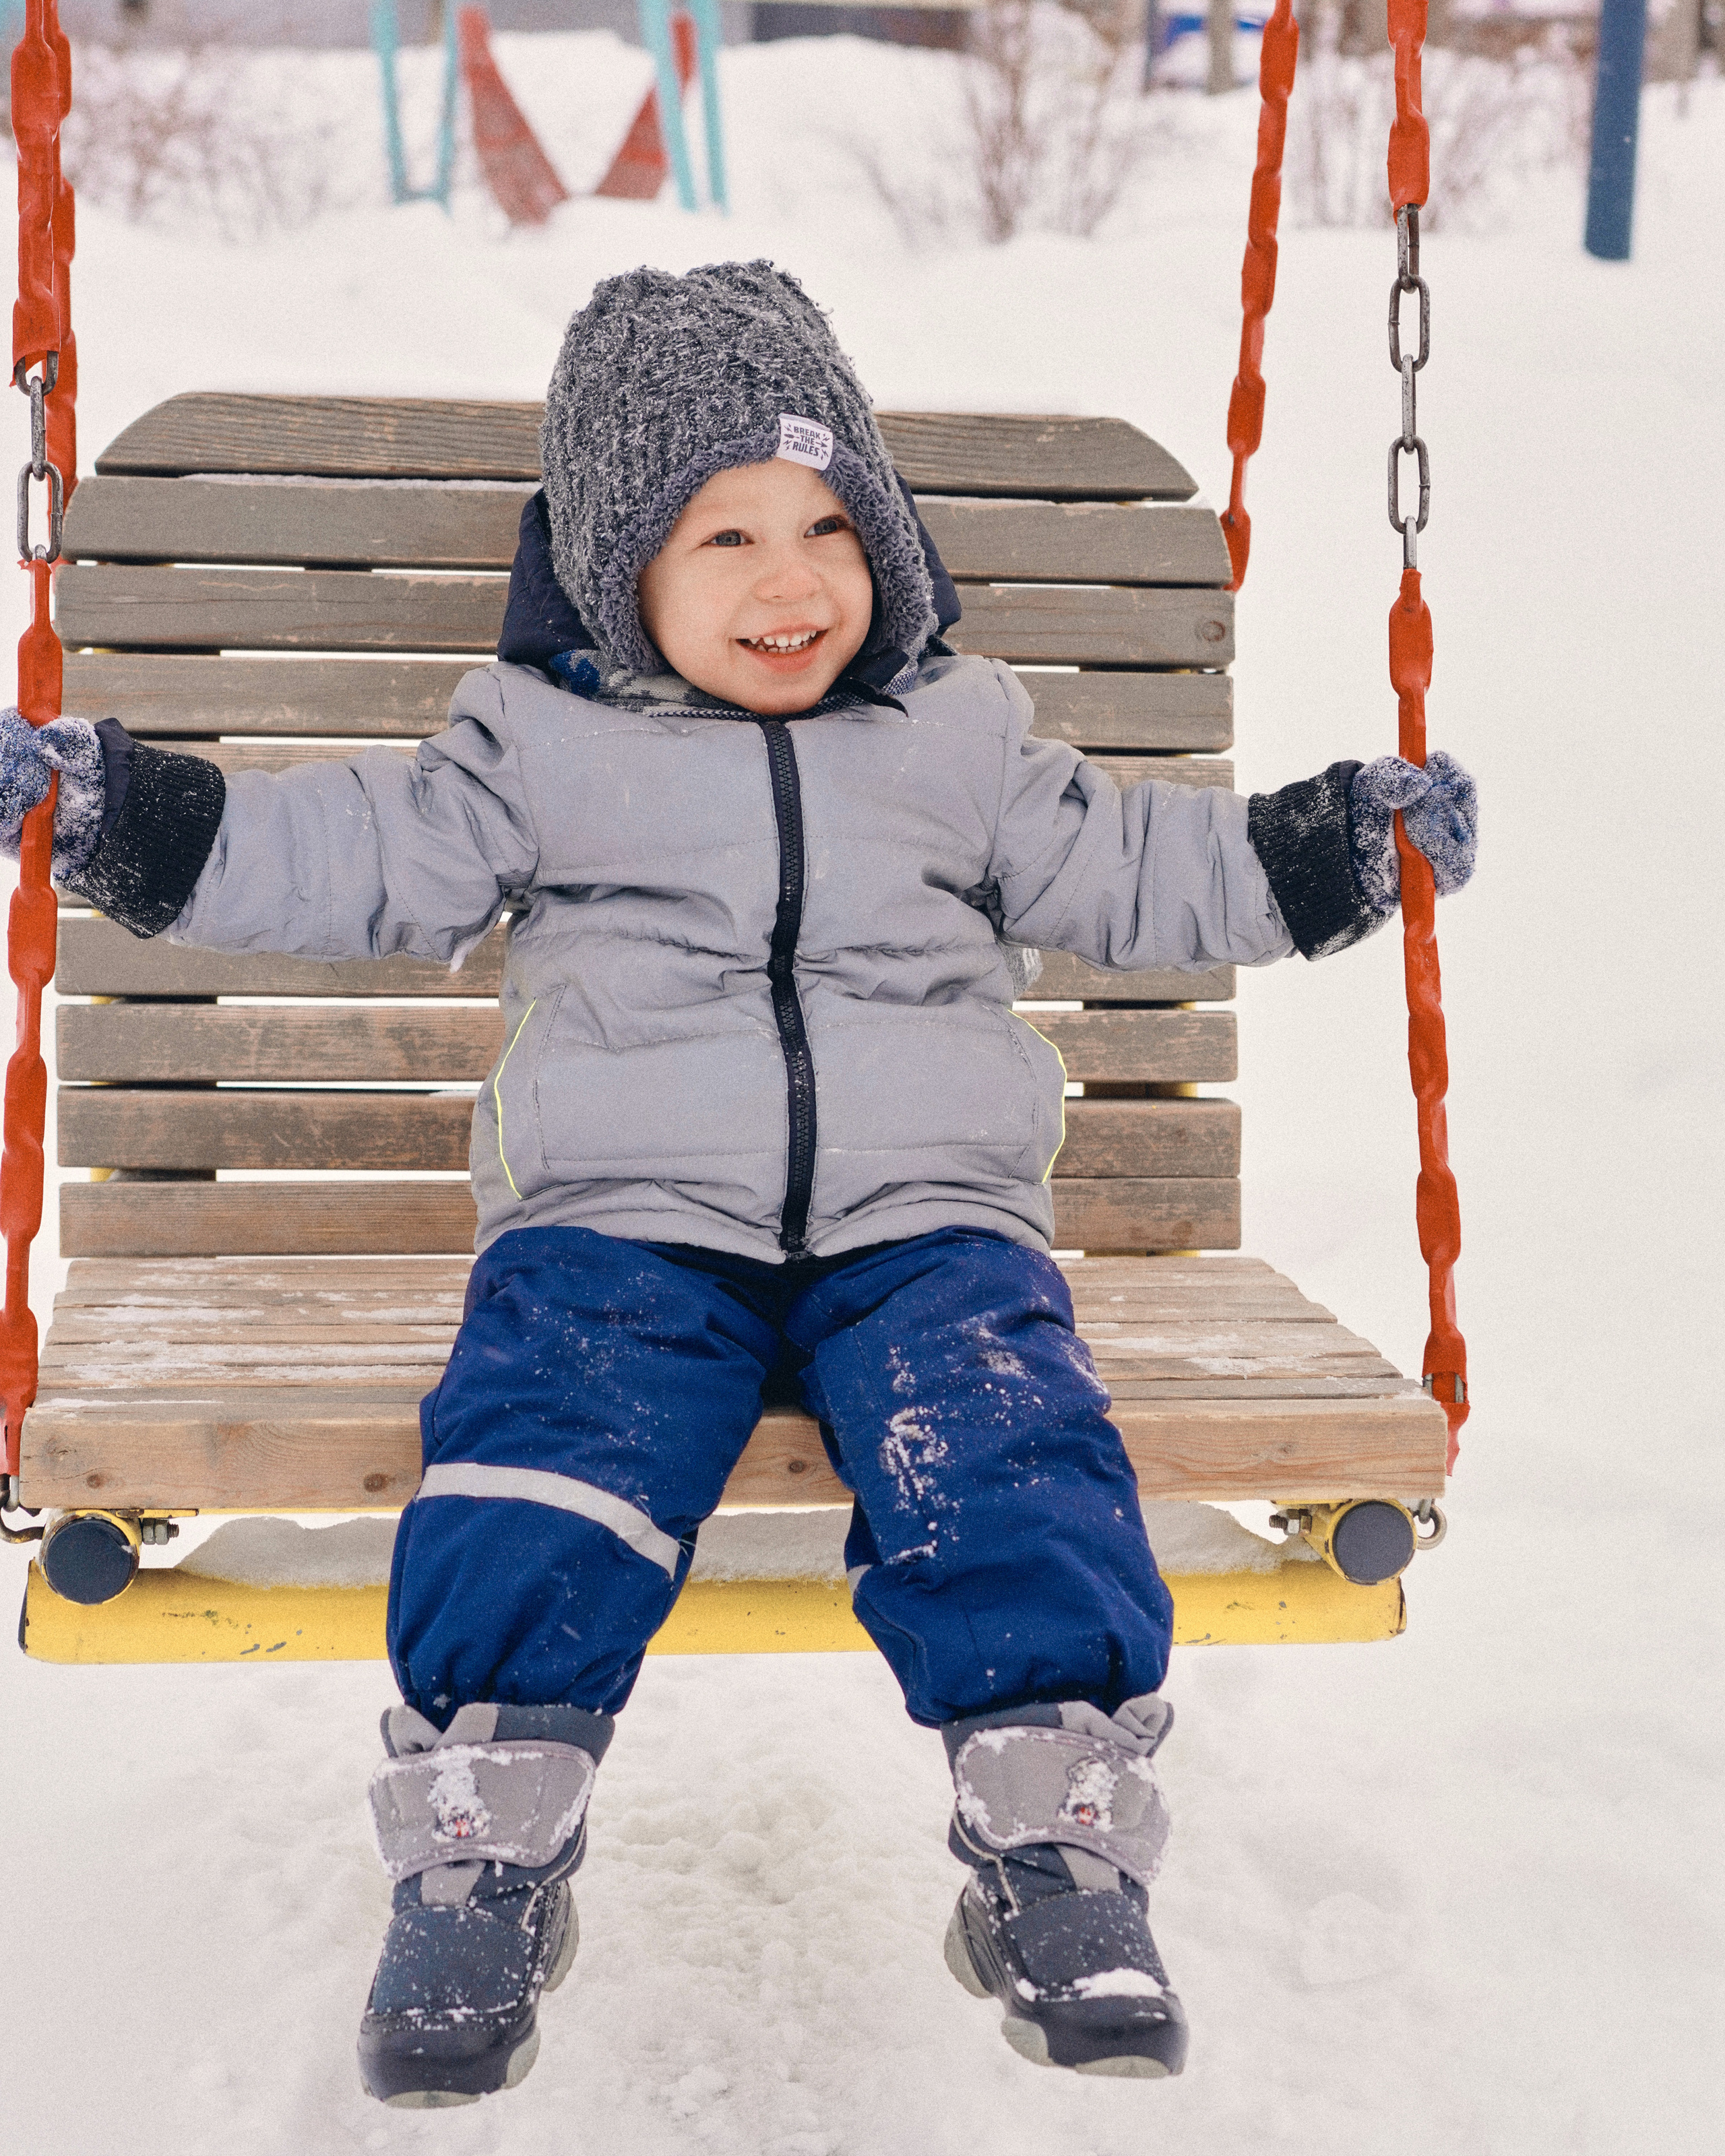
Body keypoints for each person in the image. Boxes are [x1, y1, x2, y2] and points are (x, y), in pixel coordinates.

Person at [0, 261, 1476, 2105]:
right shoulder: (536, 750)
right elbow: (350, 851)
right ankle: (483, 1844)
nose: (795, 585)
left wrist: (1336, 851)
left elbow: (1137, 871)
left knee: (1004, 1438)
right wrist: (127, 820)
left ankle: (1057, 1838)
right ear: (623, 573)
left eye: (830, 526)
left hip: (927, 1220)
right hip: (624, 1223)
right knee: (545, 1446)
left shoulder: (961, 741)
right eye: (727, 540)